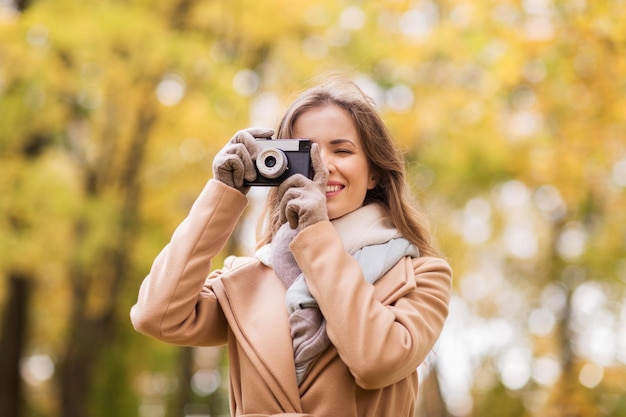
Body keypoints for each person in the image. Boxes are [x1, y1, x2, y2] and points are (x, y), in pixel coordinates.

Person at [130, 78, 452, 417]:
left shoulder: (420, 276)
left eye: (341, 151)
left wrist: (315, 233)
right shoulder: (248, 280)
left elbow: (375, 361)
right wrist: (222, 194)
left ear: (374, 174)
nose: (323, 167)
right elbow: (158, 316)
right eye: (305, 152)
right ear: (278, 166)